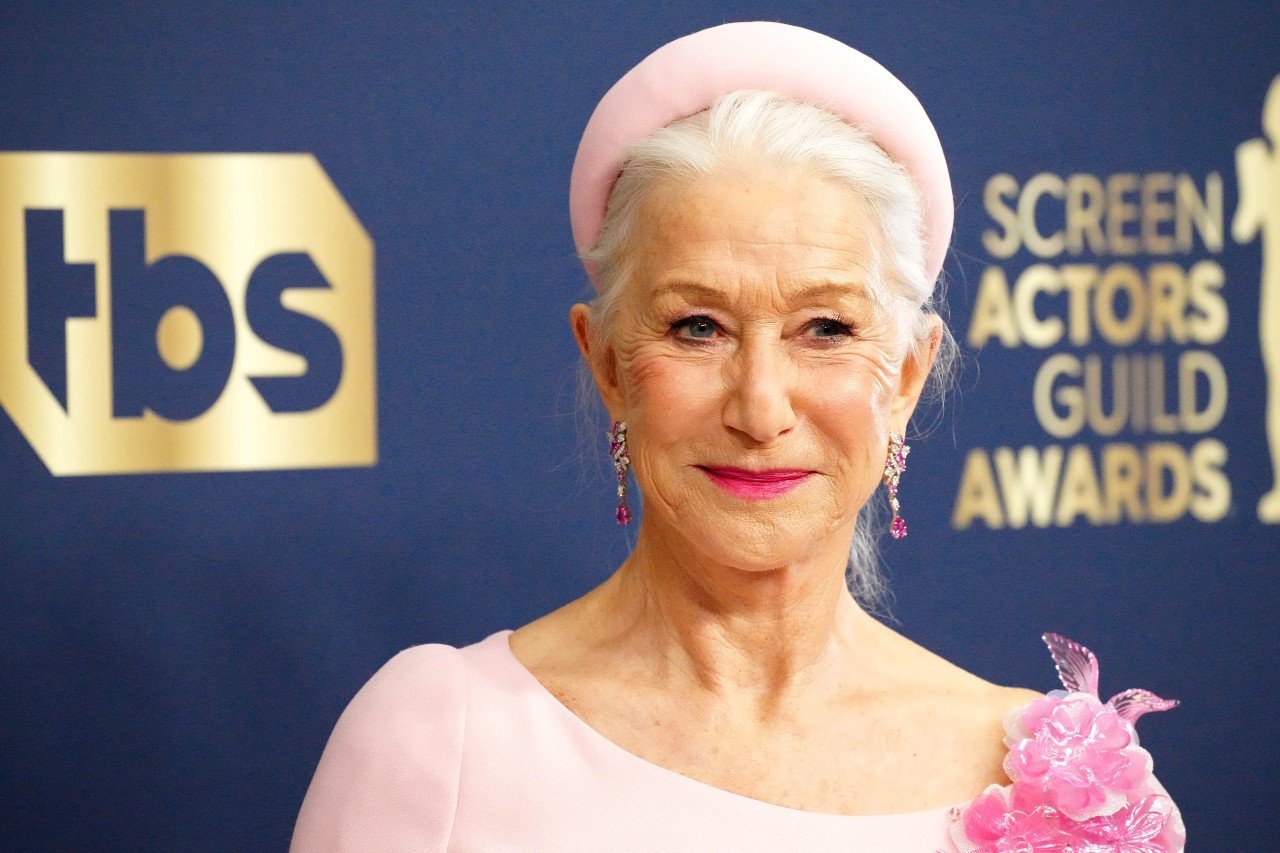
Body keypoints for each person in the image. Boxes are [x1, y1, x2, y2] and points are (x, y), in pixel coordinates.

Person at [290, 22, 1184, 851]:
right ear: (606, 364)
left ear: (907, 377)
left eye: (826, 329)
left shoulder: (1063, 793)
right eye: (697, 327)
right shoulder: (439, 740)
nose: (760, 409)